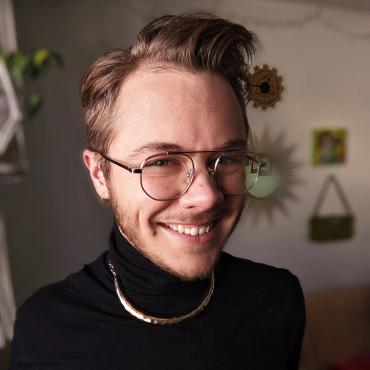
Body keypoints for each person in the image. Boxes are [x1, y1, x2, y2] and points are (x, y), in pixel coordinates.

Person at [10, 13, 305, 370]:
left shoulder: (277, 301)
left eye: (228, 157)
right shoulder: (47, 330)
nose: (207, 196)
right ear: (100, 175)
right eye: (162, 162)